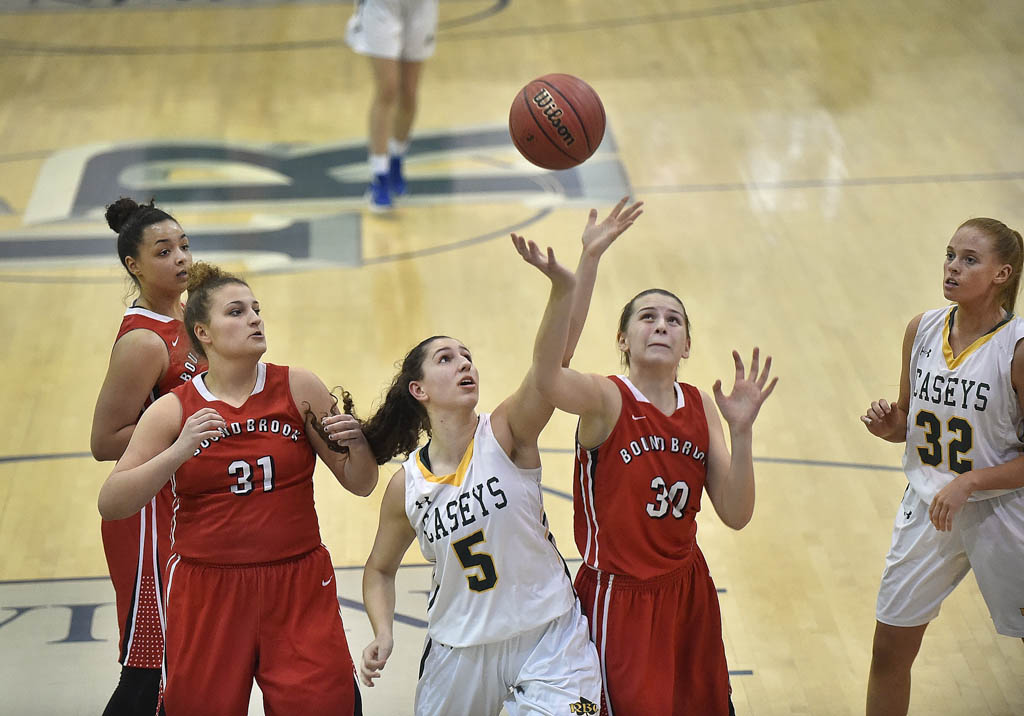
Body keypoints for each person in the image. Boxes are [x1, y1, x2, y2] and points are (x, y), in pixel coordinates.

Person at [343, 198, 643, 715]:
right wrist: (384, 631)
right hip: (460, 649)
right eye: (446, 358)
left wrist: (576, 274)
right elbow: (379, 570)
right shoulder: (407, 487)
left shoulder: (506, 433)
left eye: (468, 357)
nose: (464, 365)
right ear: (419, 389)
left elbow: (555, 362)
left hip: (547, 638)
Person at [521, 218, 778, 715]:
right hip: (621, 597)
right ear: (623, 339)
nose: (661, 325)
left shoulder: (701, 405)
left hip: (688, 589)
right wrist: (585, 266)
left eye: (673, 320)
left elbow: (736, 512)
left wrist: (742, 433)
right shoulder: (605, 399)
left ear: (686, 346)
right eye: (647, 317)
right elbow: (547, 374)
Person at [97, 262, 377, 716]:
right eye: (237, 311)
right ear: (203, 332)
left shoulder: (299, 386)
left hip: (297, 584)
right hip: (208, 591)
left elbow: (360, 483)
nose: (254, 319)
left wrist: (358, 444)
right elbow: (112, 502)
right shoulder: (174, 410)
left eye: (256, 309)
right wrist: (178, 451)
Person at [860, 217, 1024, 716]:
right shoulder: (923, 328)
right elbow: (908, 424)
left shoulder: (1016, 349)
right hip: (931, 504)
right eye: (950, 255)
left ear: (1002, 274)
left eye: (969, 259)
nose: (952, 267)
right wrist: (891, 425)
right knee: (889, 650)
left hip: (1005, 509)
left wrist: (971, 482)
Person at [90, 197, 206, 716]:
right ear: (134, 266)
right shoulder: (143, 340)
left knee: (185, 658)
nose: (180, 257)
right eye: (164, 251)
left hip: (181, 507)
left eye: (183, 245)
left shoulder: (188, 312)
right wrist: (182, 433)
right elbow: (106, 439)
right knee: (148, 665)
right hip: (144, 518)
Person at [345, 0, 439, 211]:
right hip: (381, 6)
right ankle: (379, 175)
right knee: (388, 89)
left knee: (409, 93)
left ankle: (396, 159)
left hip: (420, 6)